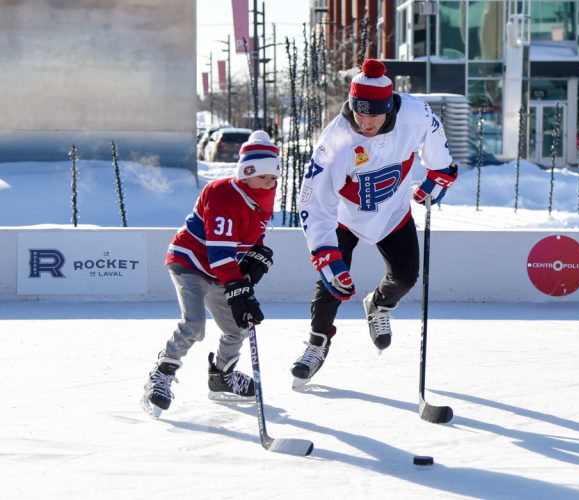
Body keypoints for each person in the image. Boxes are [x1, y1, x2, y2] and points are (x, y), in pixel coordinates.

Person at [290, 58, 458, 386]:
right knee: (332, 284)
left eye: (374, 115)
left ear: (389, 108)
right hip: (344, 218)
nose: (365, 123)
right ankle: (316, 344)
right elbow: (313, 198)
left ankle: (378, 304)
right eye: (359, 113)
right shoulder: (335, 142)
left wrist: (439, 173)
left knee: (407, 277)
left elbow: (435, 142)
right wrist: (324, 252)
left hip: (393, 211)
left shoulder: (415, 114)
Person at [142, 130, 280, 417]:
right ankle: (162, 373)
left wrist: (257, 253)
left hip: (221, 269)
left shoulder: (263, 193)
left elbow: (253, 232)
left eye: (273, 178)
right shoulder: (223, 194)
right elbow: (219, 252)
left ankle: (221, 376)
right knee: (194, 325)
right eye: (262, 176)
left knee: (238, 327)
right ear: (245, 173)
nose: (269, 183)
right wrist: (238, 287)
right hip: (190, 261)